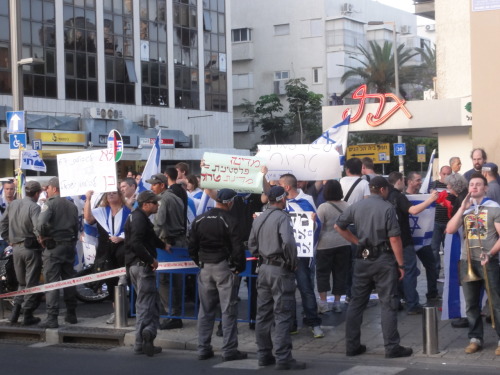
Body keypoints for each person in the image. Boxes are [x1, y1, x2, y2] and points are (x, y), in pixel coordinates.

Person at [335, 176, 413, 359]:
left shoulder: (356, 206)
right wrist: (401, 264)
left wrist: (357, 242)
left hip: (362, 259)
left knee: (356, 304)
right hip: (383, 260)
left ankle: (352, 345)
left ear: (371, 189)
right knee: (388, 303)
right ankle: (391, 347)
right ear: (384, 190)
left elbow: (338, 226)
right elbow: (394, 238)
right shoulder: (387, 208)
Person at [248, 186, 306, 370]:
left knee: (263, 314)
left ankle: (264, 354)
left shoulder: (260, 217)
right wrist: (292, 261)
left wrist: (262, 254)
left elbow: (251, 244)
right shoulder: (282, 217)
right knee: (282, 313)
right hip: (280, 270)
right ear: (281, 199)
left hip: (263, 268)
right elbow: (288, 241)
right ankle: (283, 357)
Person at [188, 189, 247, 362]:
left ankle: (203, 348)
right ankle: (229, 350)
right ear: (230, 202)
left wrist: (199, 262)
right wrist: (238, 268)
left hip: (205, 267)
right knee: (228, 310)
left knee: (205, 310)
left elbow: (191, 246)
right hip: (224, 267)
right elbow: (238, 248)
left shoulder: (199, 220)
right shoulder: (230, 220)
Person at [445, 173, 500, 355]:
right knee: (470, 303)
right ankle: (475, 338)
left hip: (488, 261)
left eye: (478, 184)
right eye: (471, 184)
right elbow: (450, 229)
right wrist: (462, 209)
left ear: (485, 188)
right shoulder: (466, 209)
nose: (474, 187)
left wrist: (490, 254)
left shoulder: (494, 208)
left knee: (496, 302)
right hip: (467, 260)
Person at [279, 173, 324, 338]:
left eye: (279, 184)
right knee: (288, 290)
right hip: (284, 254)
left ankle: (313, 322)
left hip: (301, 254)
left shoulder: (305, 202)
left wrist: (312, 224)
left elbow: (317, 226)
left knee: (306, 288)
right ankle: (292, 324)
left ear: (286, 187)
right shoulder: (279, 203)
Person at [387, 172, 439, 314]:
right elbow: (414, 211)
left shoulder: (386, 196)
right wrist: (431, 200)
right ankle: (412, 304)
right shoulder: (398, 196)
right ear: (399, 181)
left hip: (390, 240)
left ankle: (396, 301)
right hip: (403, 239)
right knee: (409, 271)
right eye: (403, 181)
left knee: (397, 271)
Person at [125, 190, 166, 357]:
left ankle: (148, 333)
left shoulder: (138, 217)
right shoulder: (140, 219)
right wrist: (151, 260)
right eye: (155, 203)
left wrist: (163, 246)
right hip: (142, 266)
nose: (157, 205)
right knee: (145, 305)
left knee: (152, 303)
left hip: (135, 266)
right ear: (146, 204)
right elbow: (136, 243)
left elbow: (150, 238)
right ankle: (141, 341)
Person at [36, 177, 79, 328]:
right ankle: (71, 313)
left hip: (54, 247)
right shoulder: (71, 205)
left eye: (47, 188)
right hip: (68, 246)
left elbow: (40, 223)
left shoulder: (50, 204)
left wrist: (41, 236)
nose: (46, 190)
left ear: (54, 189)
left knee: (52, 282)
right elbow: (76, 227)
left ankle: (52, 317)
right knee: (69, 280)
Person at [84, 189, 131, 324]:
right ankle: (116, 311)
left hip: (123, 250)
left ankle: (130, 309)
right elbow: (88, 218)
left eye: (114, 193)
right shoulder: (101, 212)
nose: (110, 195)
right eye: (108, 193)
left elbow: (134, 229)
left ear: (120, 195)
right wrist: (88, 199)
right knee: (111, 281)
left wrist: (122, 238)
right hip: (105, 251)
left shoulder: (128, 212)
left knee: (126, 280)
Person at [146, 173, 186, 330]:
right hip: (179, 241)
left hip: (169, 243)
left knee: (164, 280)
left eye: (154, 184)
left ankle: (172, 314)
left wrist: (150, 240)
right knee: (176, 281)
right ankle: (176, 314)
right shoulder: (176, 197)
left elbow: (159, 223)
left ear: (162, 185)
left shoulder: (162, 199)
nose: (151, 187)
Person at [0, 181, 43, 325]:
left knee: (22, 282)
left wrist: (8, 238)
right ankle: (27, 314)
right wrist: (41, 240)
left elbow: (3, 224)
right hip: (30, 248)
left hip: (16, 248)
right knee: (31, 282)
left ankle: (15, 313)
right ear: (37, 193)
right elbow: (38, 228)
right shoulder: (34, 206)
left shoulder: (13, 204)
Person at [316, 180, 351, 314]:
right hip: (344, 243)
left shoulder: (323, 207)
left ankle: (323, 303)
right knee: (340, 273)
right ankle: (337, 302)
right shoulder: (347, 206)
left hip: (324, 245)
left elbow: (318, 226)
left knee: (323, 274)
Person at [444, 173, 470, 329]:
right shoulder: (462, 197)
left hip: (461, 246)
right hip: (462, 243)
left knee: (463, 280)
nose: (447, 188)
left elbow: (457, 224)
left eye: (449, 185)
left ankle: (466, 314)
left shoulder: (462, 200)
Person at [430, 166, 454, 275]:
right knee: (434, 249)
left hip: (448, 222)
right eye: (444, 174)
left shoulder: (452, 186)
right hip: (435, 221)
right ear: (440, 173)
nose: (445, 176)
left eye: (448, 174)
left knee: (448, 248)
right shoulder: (434, 184)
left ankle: (448, 272)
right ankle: (435, 272)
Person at [0, 180, 16, 252]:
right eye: (7, 189)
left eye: (11, 189)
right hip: (2, 238)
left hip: (15, 237)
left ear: (14, 189)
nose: (9, 191)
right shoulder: (1, 203)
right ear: (4, 189)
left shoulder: (18, 203)